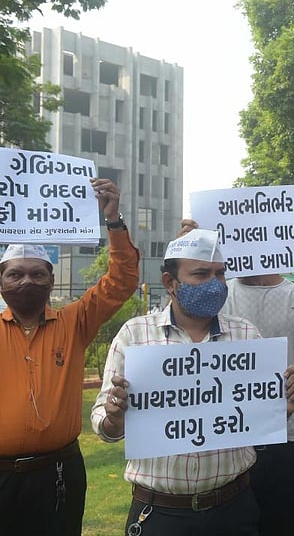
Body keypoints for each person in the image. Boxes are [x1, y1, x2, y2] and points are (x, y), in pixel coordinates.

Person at [90, 229, 294, 536]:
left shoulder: (246, 335)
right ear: (169, 283)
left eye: (220, 275)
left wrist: (281, 409)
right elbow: (104, 422)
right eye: (201, 274)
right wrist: (114, 416)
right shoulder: (135, 335)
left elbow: (253, 420)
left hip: (234, 510)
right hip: (159, 512)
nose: (215, 285)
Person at [178, 214, 294, 536]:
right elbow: (179, 331)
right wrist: (189, 253)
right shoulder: (218, 292)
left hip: (286, 437)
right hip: (226, 438)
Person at [0, 177, 139, 536]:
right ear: (1, 282)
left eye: (36, 274)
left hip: (59, 475)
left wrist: (112, 220)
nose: (26, 281)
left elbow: (121, 280)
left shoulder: (73, 321)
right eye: (15, 274)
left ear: (50, 280)